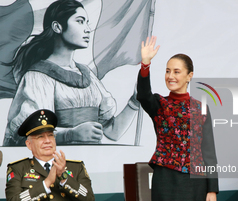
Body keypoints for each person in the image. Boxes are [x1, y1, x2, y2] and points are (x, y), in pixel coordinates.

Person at [3, 0, 140, 146]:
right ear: (57, 27)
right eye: (80, 21)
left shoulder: (87, 75)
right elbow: (29, 137)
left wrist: (136, 100)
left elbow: (112, 132)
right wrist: (70, 135)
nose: (87, 29)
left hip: (90, 164)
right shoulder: (37, 77)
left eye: (87, 22)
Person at [136, 36, 219, 201]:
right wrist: (145, 65)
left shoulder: (201, 108)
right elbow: (143, 95)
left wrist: (212, 189)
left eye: (176, 71)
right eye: (167, 71)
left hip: (195, 184)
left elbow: (208, 151)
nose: (170, 76)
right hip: (166, 181)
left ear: (189, 76)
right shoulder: (159, 104)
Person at [5, 109, 106, 201]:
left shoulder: (75, 167)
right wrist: (46, 183)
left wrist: (64, 178)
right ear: (29, 144)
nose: (47, 141)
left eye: (50, 136)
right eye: (40, 137)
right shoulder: (18, 168)